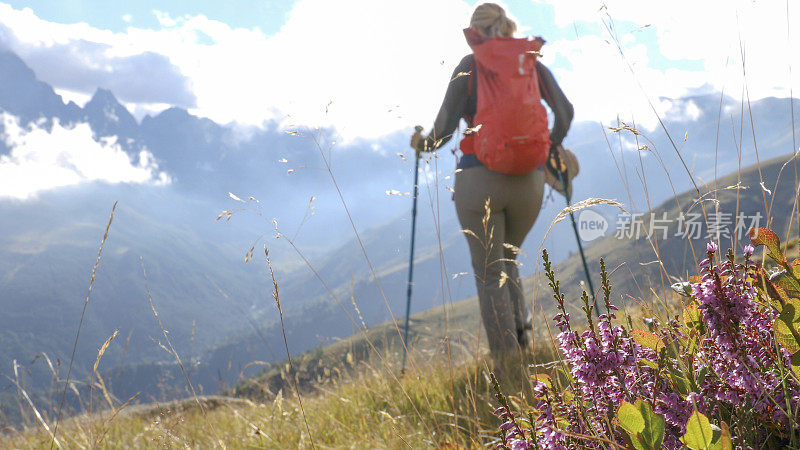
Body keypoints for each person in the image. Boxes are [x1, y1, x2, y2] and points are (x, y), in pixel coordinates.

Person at [411, 3, 573, 361]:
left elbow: (441, 134)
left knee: (488, 274)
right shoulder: (530, 64)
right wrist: (551, 147)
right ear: (508, 27)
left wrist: (420, 143)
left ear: (475, 32)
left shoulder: (469, 67)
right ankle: (525, 343)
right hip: (529, 182)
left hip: (478, 180)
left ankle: (507, 360)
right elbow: (566, 112)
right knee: (509, 259)